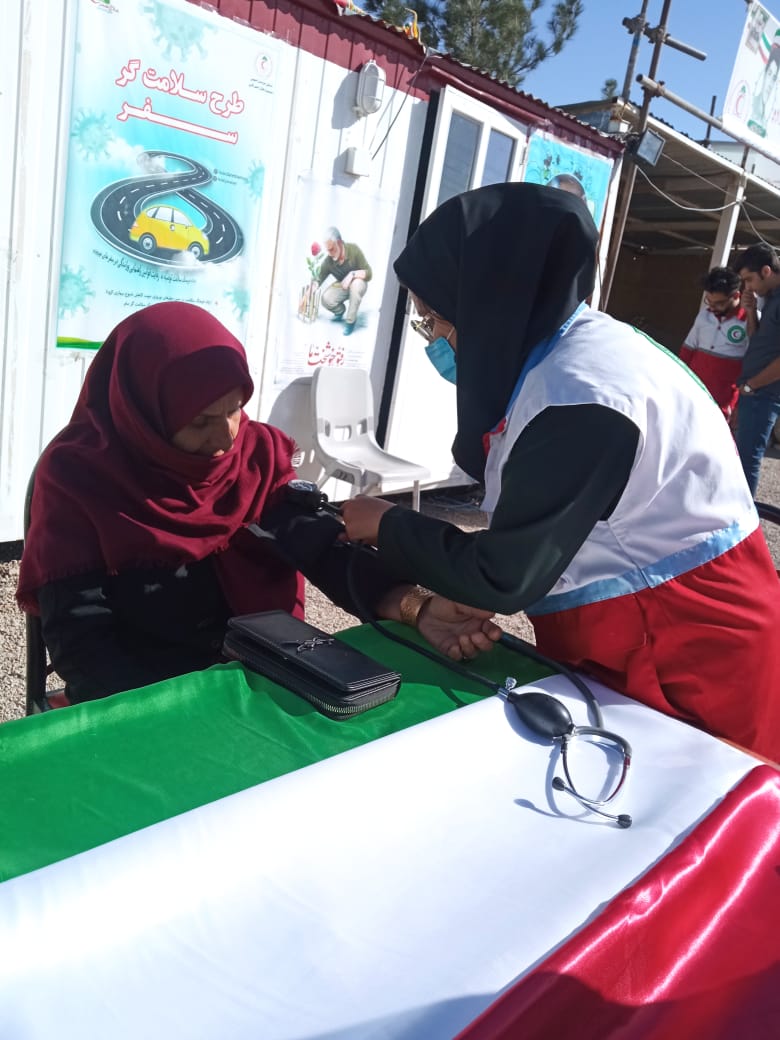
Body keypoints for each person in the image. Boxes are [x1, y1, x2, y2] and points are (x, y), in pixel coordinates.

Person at [340, 183, 780, 762]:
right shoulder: (575, 351)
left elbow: (504, 576)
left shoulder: (582, 397)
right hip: (648, 626)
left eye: (435, 320)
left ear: (490, 303)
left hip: (683, 650)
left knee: (690, 792)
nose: (436, 340)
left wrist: (386, 524)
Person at [17, 302, 499, 704]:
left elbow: (321, 548)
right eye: (201, 421)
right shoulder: (79, 479)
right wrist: (167, 715)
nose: (226, 436)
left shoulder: (254, 455)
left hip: (265, 669)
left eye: (234, 409)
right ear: (144, 413)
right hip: (151, 691)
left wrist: (416, 607)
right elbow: (82, 639)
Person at [733, 243, 780, 497]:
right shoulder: (770, 299)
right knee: (743, 456)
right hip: (755, 391)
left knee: (747, 461)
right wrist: (751, 312)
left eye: (749, 279)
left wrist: (752, 386)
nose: (748, 287)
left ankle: (743, 516)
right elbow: (756, 339)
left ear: (766, 271)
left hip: (763, 393)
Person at [678, 266, 749, 421]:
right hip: (693, 391)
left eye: (719, 303)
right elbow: (687, 350)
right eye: (708, 301)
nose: (712, 307)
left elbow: (752, 365)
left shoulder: (751, 320)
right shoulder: (704, 315)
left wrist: (740, 405)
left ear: (736, 295)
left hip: (723, 401)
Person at [316, 227, 372, 336]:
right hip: (343, 286)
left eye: (332, 249)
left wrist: (352, 275)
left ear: (339, 243)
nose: (329, 253)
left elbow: (369, 273)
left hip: (358, 283)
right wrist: (308, 293)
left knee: (356, 285)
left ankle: (350, 321)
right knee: (326, 298)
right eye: (327, 250)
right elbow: (318, 278)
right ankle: (340, 312)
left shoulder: (353, 250)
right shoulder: (329, 260)